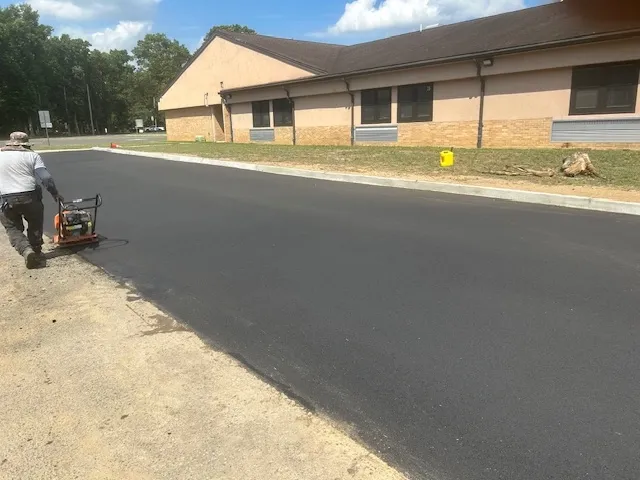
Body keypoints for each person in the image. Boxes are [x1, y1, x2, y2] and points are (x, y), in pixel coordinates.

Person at [0, 132, 63, 269]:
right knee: (35, 223)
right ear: (25, 144)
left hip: (6, 198)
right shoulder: (32, 155)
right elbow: (45, 178)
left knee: (12, 227)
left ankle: (26, 250)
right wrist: (55, 193)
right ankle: (36, 251)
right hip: (30, 195)